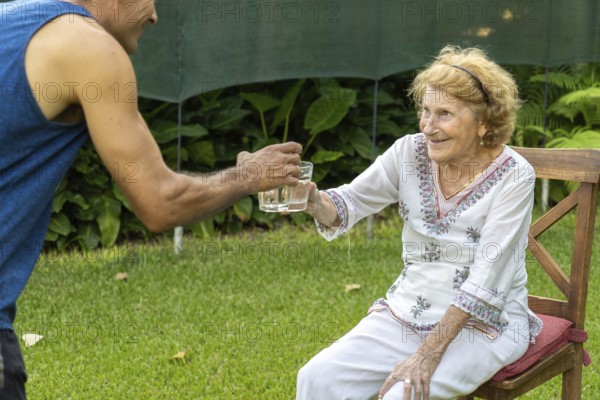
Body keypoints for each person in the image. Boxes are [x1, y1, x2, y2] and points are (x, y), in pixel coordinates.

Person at [0, 0, 301, 397]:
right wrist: (247, 176)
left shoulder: (11, 18)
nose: (155, 15)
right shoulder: (89, 48)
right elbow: (160, 202)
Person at [296, 46, 543, 400]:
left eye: (444, 114)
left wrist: (426, 355)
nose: (428, 126)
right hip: (406, 312)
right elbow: (348, 202)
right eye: (425, 111)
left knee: (403, 395)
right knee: (316, 379)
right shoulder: (409, 153)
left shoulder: (515, 176)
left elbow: (488, 279)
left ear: (484, 122)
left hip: (488, 323)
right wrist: (312, 201)